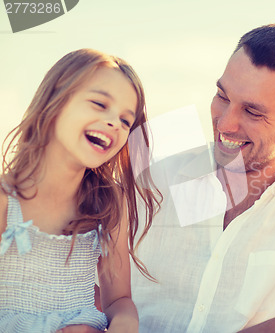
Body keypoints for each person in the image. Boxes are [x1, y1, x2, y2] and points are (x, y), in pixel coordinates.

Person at [131, 23, 275, 332]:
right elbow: (91, 291)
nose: (225, 124)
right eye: (223, 96)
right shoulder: (150, 179)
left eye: (253, 112)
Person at [0, 49, 160, 333]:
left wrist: (123, 326)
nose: (114, 122)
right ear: (55, 100)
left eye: (125, 120)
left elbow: (119, 300)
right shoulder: (5, 200)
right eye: (99, 103)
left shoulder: (110, 203)